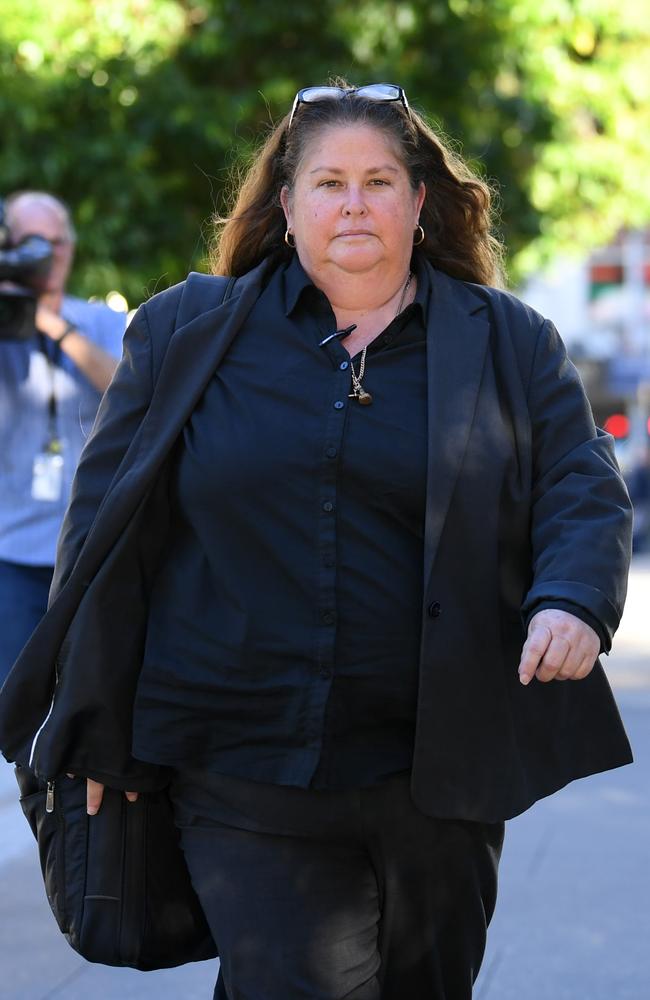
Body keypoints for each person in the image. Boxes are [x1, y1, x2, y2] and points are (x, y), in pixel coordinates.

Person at [0, 83, 633, 999]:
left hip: (437, 765)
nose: (353, 202)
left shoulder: (508, 341)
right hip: (238, 760)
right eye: (329, 181)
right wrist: (93, 723)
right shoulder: (189, 330)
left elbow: (581, 478)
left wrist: (572, 597)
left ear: (420, 204)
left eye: (379, 181)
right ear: (287, 205)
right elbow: (102, 531)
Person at [0, 191, 124, 684]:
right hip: (9, 552)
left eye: (55, 243)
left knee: (81, 696)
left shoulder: (99, 322)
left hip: (85, 550)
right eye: (31, 244)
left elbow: (125, 388)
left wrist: (48, 322)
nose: (45, 256)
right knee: (12, 701)